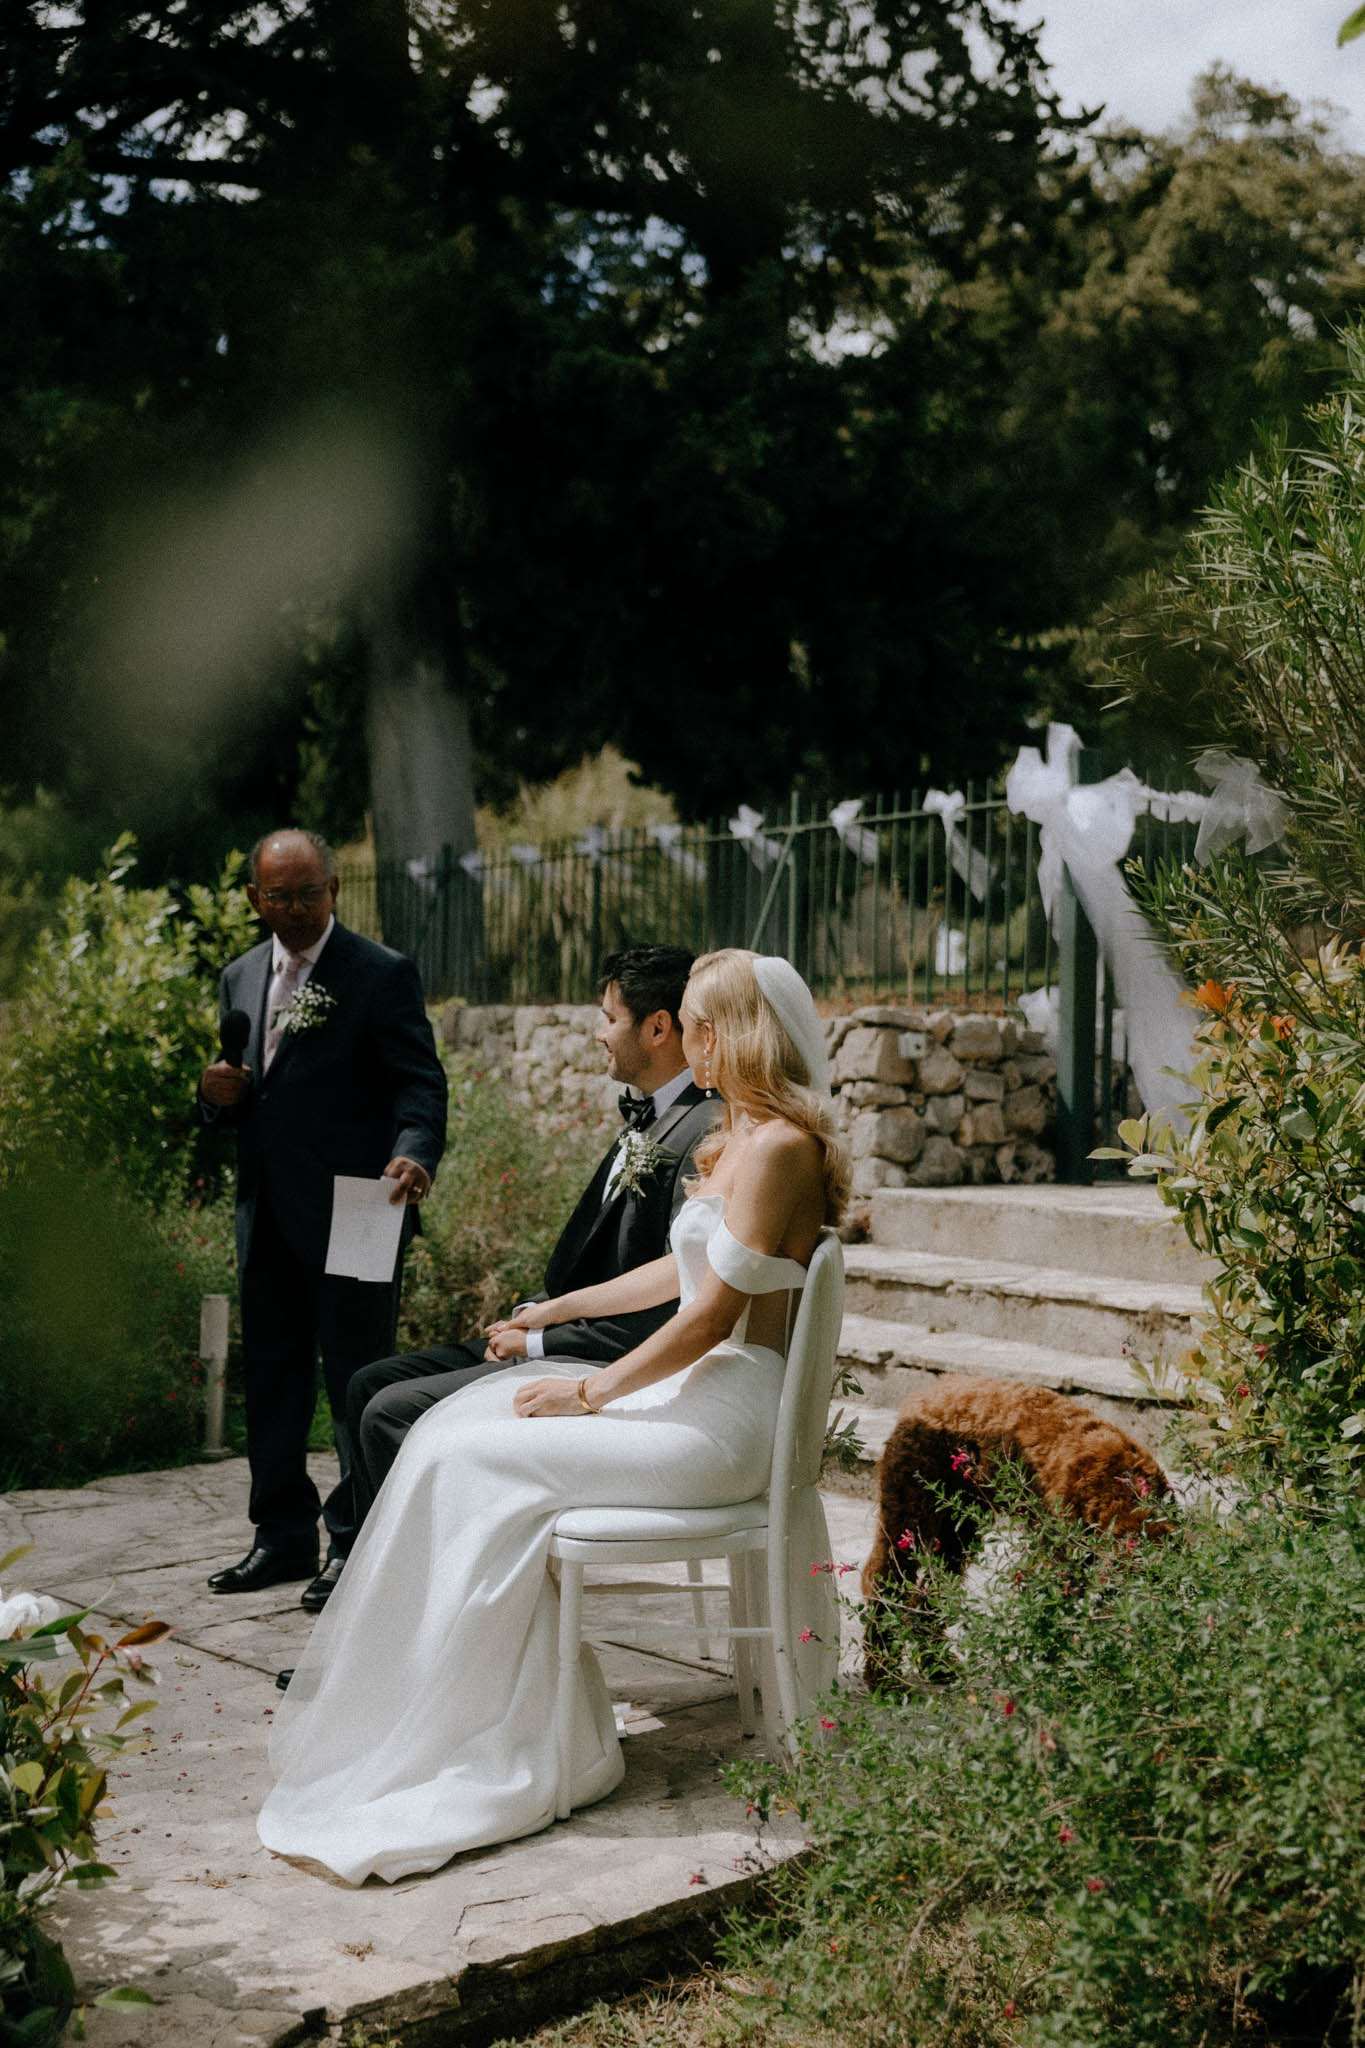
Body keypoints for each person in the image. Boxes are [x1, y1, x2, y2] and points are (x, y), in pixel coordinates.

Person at [258, 948, 847, 1885]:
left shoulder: (779, 1147)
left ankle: (491, 1722)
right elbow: (683, 1270)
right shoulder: (742, 1138)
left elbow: (709, 1315)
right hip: (705, 1393)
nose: (684, 1035)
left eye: (695, 1019)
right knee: (459, 1440)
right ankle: (456, 1699)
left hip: (730, 1421)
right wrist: (559, 1312)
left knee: (472, 1459)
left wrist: (591, 1389)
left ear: (725, 1031)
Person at [331, 944, 717, 1595]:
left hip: (598, 1358)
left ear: (657, 1028)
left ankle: (414, 1601)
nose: (595, 1033)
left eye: (606, 1017)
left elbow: (668, 1297)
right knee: (368, 1384)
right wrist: (531, 1319)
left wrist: (537, 1341)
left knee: (390, 1412)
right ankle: (358, 1577)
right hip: (559, 1328)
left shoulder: (703, 1132)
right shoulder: (652, 1118)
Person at [198, 828, 448, 1604]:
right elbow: (243, 1098)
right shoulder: (239, 975)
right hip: (267, 1212)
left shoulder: (378, 973)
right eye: (280, 896)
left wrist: (414, 1152)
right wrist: (214, 1101)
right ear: (254, 899)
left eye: (310, 893)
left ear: (335, 890)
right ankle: (280, 1537)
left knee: (355, 1381)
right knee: (271, 1379)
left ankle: (353, 1543)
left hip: (363, 1206)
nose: (297, 908)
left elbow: (420, 1083)